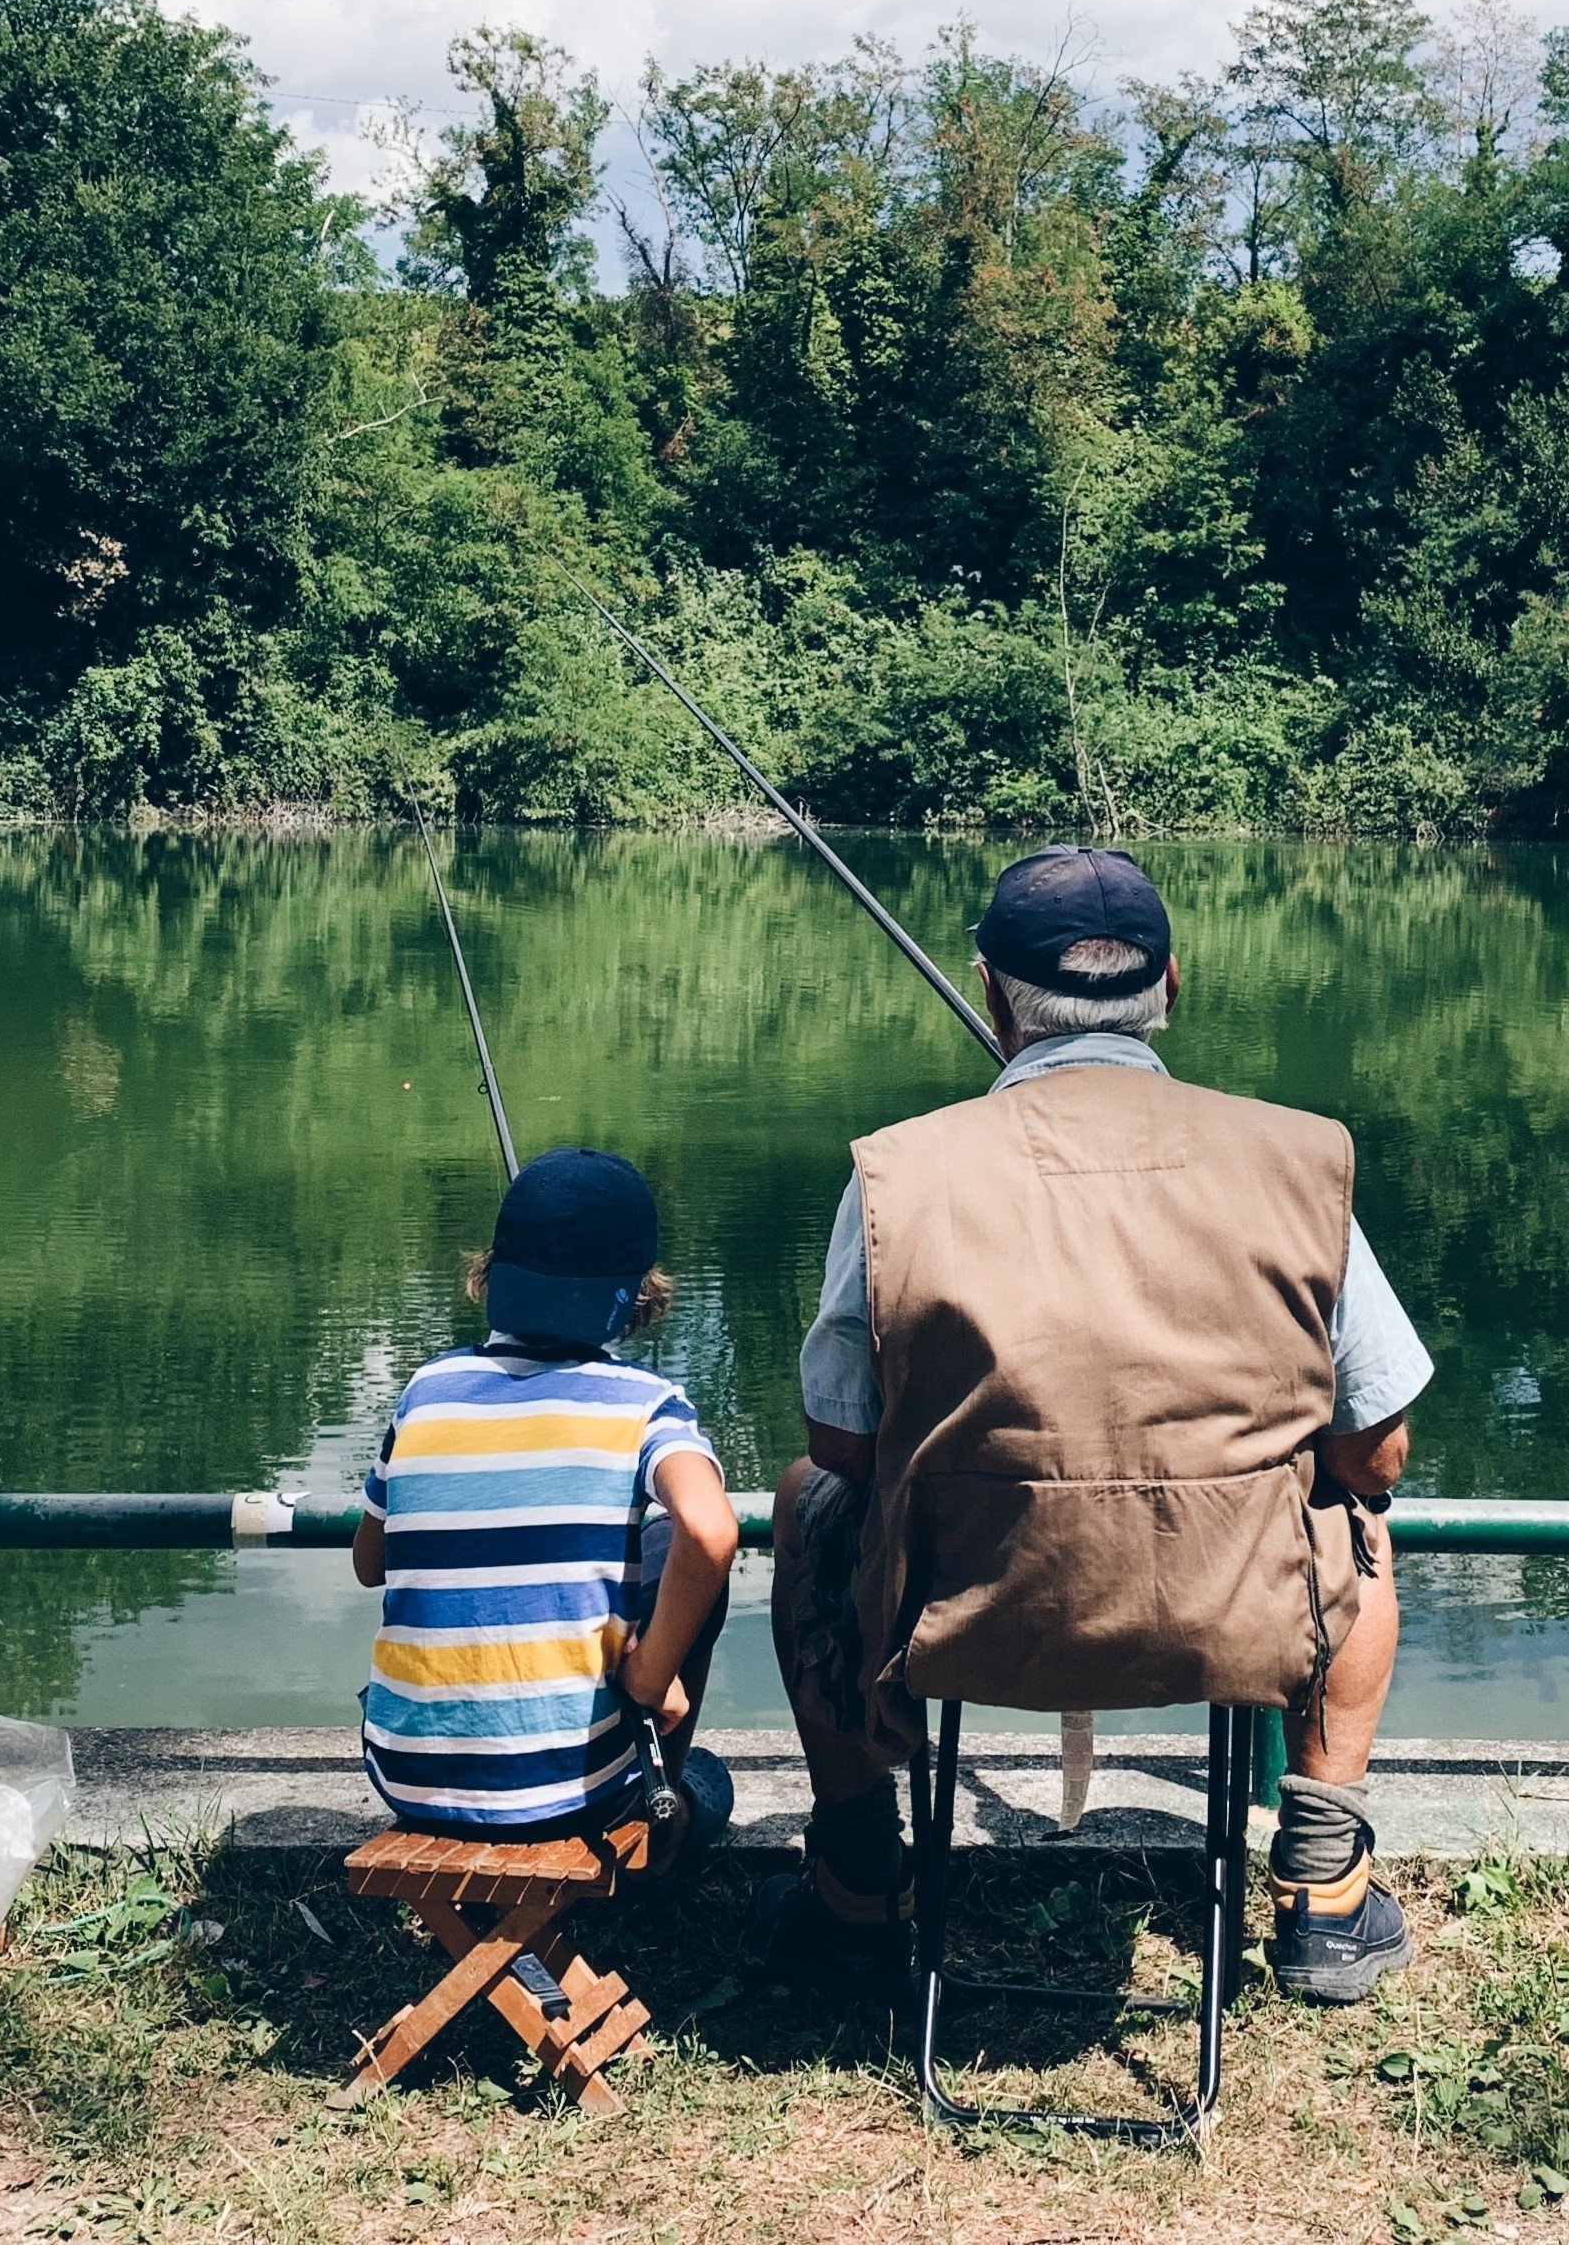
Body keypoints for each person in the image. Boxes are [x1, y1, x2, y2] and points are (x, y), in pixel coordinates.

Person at [759, 845, 1431, 2002]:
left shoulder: (894, 1175)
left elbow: (842, 1449)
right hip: (1236, 1618)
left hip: (960, 1617)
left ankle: (858, 1883)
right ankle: (1321, 1892)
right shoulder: (1299, 1158)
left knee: (806, 1505)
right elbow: (1374, 1451)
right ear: (1172, 984)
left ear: (987, 992)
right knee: (1358, 1527)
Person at [352, 1146, 739, 1863]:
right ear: (636, 1296)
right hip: (572, 1794)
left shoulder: (426, 1391)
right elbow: (711, 1532)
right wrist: (653, 1674)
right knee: (713, 1778)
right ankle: (664, 1809)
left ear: (492, 1274)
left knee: (652, 1553)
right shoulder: (649, 1405)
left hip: (407, 1776)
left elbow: (369, 1563)